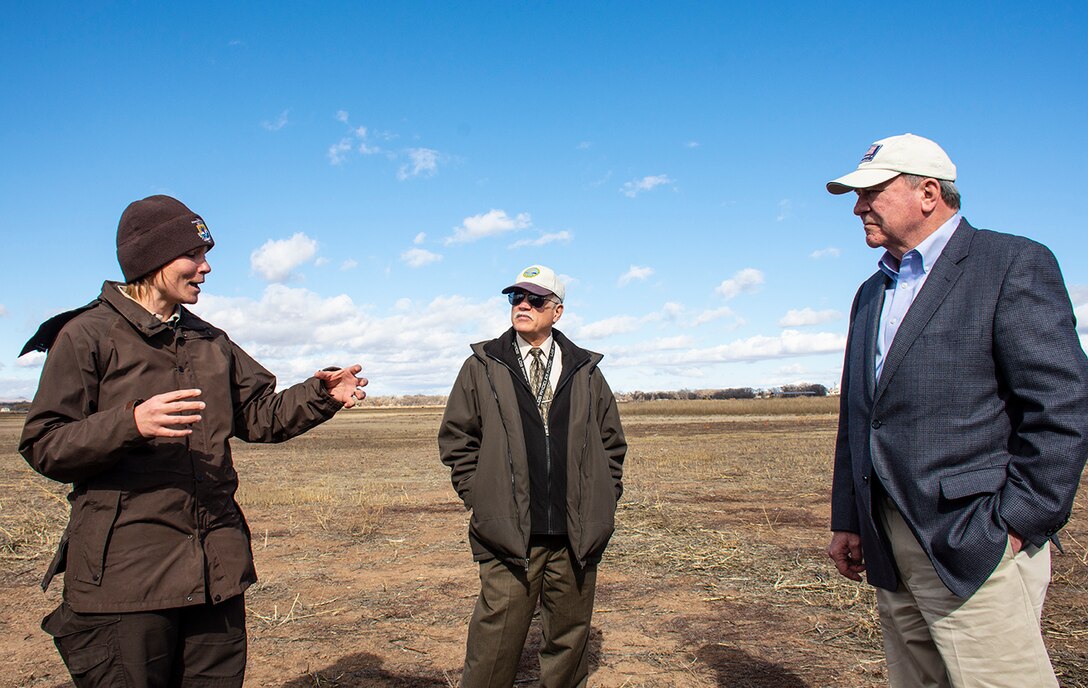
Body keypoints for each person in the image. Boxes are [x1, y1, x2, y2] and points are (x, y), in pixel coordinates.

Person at [19, 194, 367, 687]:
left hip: (216, 575)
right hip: (127, 582)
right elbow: (44, 443)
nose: (206, 268)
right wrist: (130, 423)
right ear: (153, 259)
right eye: (195, 256)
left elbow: (260, 416)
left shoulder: (210, 341)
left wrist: (320, 395)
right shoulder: (87, 335)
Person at [825, 133, 1088, 687]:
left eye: (871, 191)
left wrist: (1017, 522)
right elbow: (859, 418)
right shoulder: (872, 291)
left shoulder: (1011, 263)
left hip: (973, 540)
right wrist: (849, 519)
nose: (858, 206)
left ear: (928, 193)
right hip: (888, 542)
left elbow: (1062, 405)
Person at [439, 264, 627, 687]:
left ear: (556, 312)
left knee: (568, 646)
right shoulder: (484, 365)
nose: (523, 305)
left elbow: (611, 445)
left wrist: (601, 501)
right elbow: (457, 439)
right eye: (515, 298)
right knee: (493, 649)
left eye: (535, 300)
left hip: (575, 538)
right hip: (509, 536)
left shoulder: (585, 370)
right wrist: (483, 499)